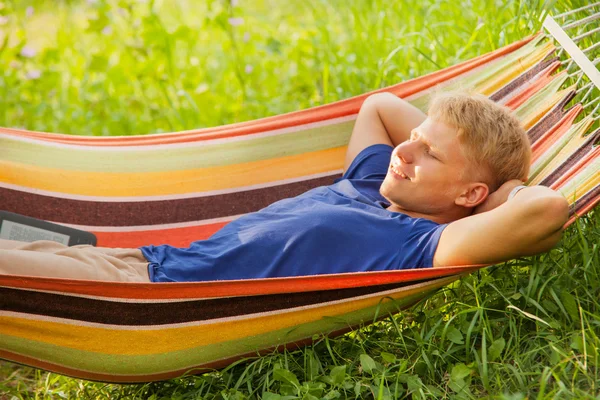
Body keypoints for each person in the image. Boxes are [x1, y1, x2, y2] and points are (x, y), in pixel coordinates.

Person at [0, 92, 569, 282]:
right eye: (413, 139)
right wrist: (442, 139)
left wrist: (492, 195)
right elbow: (380, 107)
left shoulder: (420, 244)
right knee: (13, 235)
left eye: (429, 152)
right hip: (138, 260)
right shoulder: (373, 183)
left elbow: (546, 209)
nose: (405, 149)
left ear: (471, 196)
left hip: (156, 293)